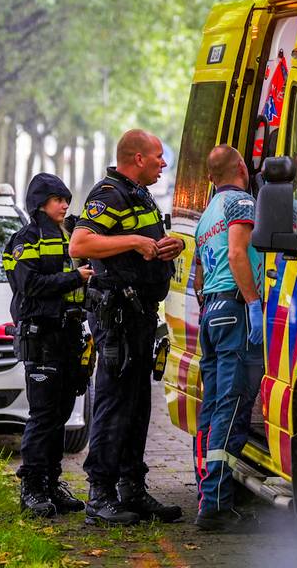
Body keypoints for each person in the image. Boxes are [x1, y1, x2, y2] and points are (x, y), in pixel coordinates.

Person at [69, 129, 185, 526]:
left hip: (139, 313)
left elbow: (145, 243)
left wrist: (168, 246)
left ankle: (131, 489)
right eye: (157, 157)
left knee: (137, 405)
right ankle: (99, 494)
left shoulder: (139, 193)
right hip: (116, 314)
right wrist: (135, 241)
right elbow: (80, 245)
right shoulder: (109, 194)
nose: (163, 163)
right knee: (114, 402)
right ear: (137, 158)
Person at [3, 173, 95, 517]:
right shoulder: (24, 240)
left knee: (59, 414)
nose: (65, 205)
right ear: (41, 202)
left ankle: (52, 482)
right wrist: (75, 278)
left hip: (69, 334)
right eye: (58, 199)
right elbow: (30, 284)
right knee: (42, 416)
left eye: (66, 199)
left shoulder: (70, 234)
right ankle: (32, 487)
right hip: (41, 336)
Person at [191, 145, 266, 532]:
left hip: (211, 312)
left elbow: (199, 276)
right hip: (235, 309)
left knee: (214, 404)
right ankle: (217, 505)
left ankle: (207, 492)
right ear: (241, 168)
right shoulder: (242, 203)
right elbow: (239, 254)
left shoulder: (206, 216)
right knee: (233, 408)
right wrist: (253, 303)